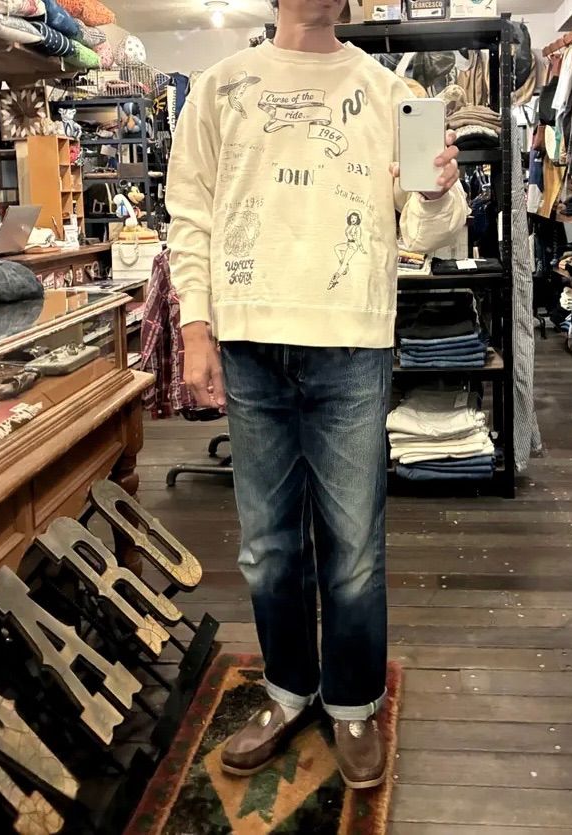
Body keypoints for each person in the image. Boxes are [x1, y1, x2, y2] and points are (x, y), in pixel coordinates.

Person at [166, 0, 468, 791]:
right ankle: (288, 690)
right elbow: (189, 213)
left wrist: (436, 191)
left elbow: (430, 233)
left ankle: (354, 700)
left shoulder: (387, 93)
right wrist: (195, 327)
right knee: (267, 548)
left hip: (350, 343)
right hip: (249, 342)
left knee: (354, 551)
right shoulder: (220, 87)